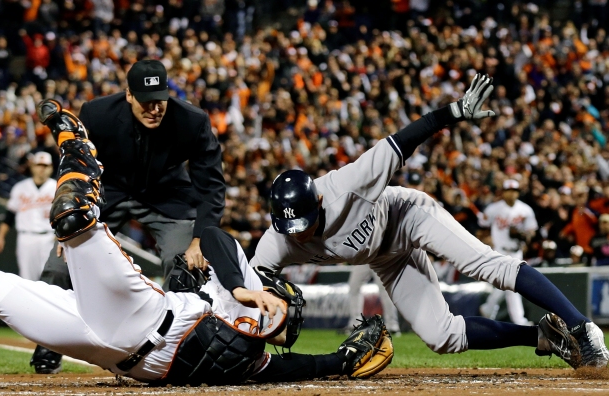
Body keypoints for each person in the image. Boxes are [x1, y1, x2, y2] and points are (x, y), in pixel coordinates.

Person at [0, 106, 393, 386]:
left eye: (285, 316)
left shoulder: (257, 362)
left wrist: (340, 361)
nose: (280, 313)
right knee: (72, 219)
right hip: (143, 318)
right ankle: (78, 148)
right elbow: (220, 240)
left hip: (106, 349)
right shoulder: (244, 283)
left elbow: (301, 367)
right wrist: (243, 288)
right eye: (282, 304)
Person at [251, 73, 609, 369]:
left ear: (318, 201)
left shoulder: (347, 184)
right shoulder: (276, 241)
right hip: (385, 258)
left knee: (486, 264)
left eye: (305, 224)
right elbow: (246, 283)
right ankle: (544, 336)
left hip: (406, 216)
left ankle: (582, 326)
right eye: (291, 230)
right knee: (441, 336)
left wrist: (454, 111)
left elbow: (404, 140)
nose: (299, 236)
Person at [31, 59, 226, 373]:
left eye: (159, 101)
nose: (154, 109)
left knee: (186, 263)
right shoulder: (97, 114)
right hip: (111, 193)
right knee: (59, 265)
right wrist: (69, 220)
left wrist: (201, 238)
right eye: (145, 102)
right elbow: (76, 167)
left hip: (167, 196)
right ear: (129, 96)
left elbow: (211, 184)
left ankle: (185, 344)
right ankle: (48, 344)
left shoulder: (192, 121)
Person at [477, 178, 537, 326]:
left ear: (518, 192)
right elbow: (482, 227)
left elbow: (532, 231)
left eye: (514, 191)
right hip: (499, 252)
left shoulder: (525, 209)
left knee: (509, 285)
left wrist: (524, 235)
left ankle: (488, 309)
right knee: (510, 285)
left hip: (516, 252)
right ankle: (519, 321)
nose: (511, 194)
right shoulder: (493, 209)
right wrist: (486, 240)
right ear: (503, 192)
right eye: (508, 190)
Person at [0, 152, 56, 281]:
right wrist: (0, 237)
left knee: (50, 280)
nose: (41, 169)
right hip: (26, 238)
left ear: (51, 167)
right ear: (32, 166)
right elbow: (9, 215)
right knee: (27, 279)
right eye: (38, 165)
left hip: (50, 238)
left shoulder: (57, 187)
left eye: (45, 165)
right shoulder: (20, 187)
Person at [346, 265, 401, 336]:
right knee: (354, 286)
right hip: (364, 257)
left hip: (379, 258)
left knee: (385, 290)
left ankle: (392, 326)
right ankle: (356, 324)